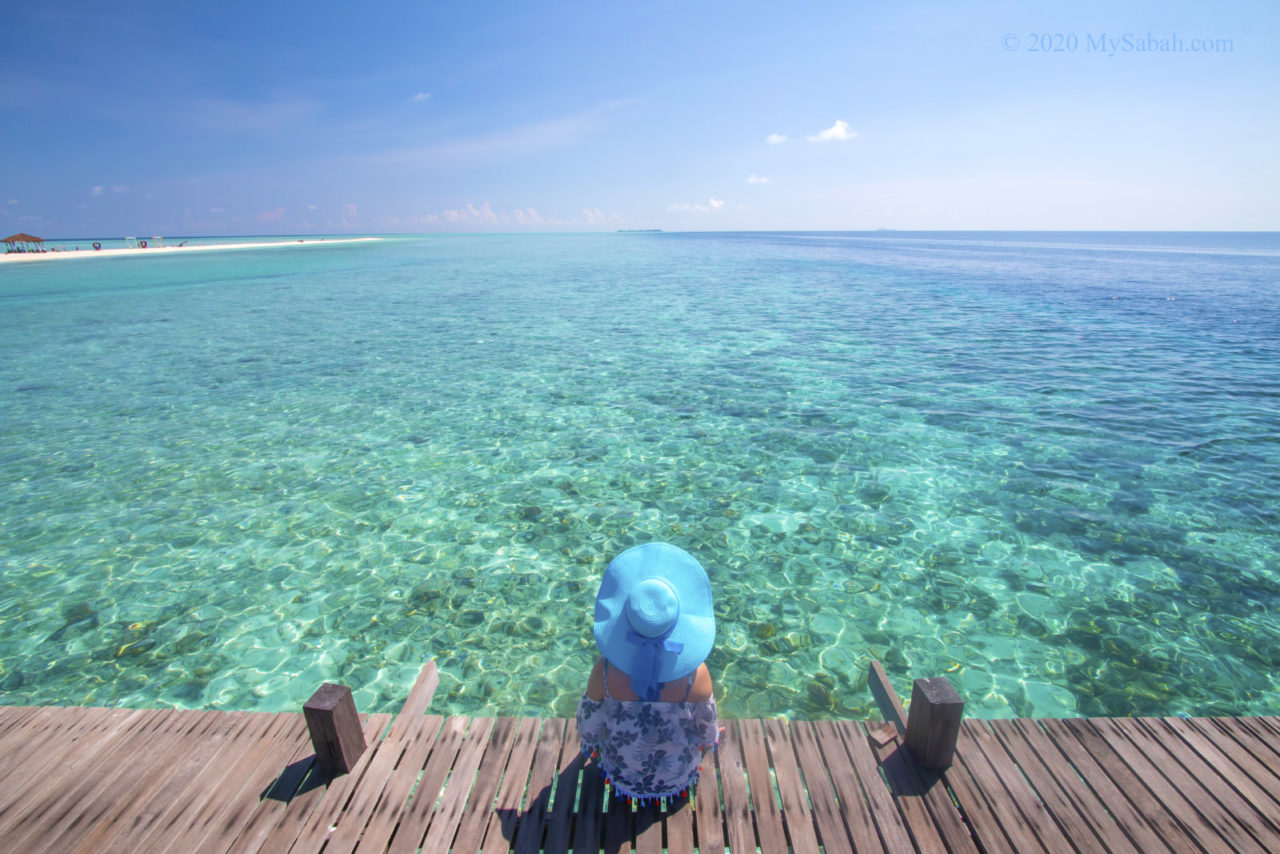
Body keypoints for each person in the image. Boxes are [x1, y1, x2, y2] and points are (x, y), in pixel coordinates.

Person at [576, 542, 719, 804]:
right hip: (678, 778)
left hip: (620, 776)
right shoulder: (694, 675)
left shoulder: (605, 672)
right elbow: (707, 734)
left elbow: (589, 731)